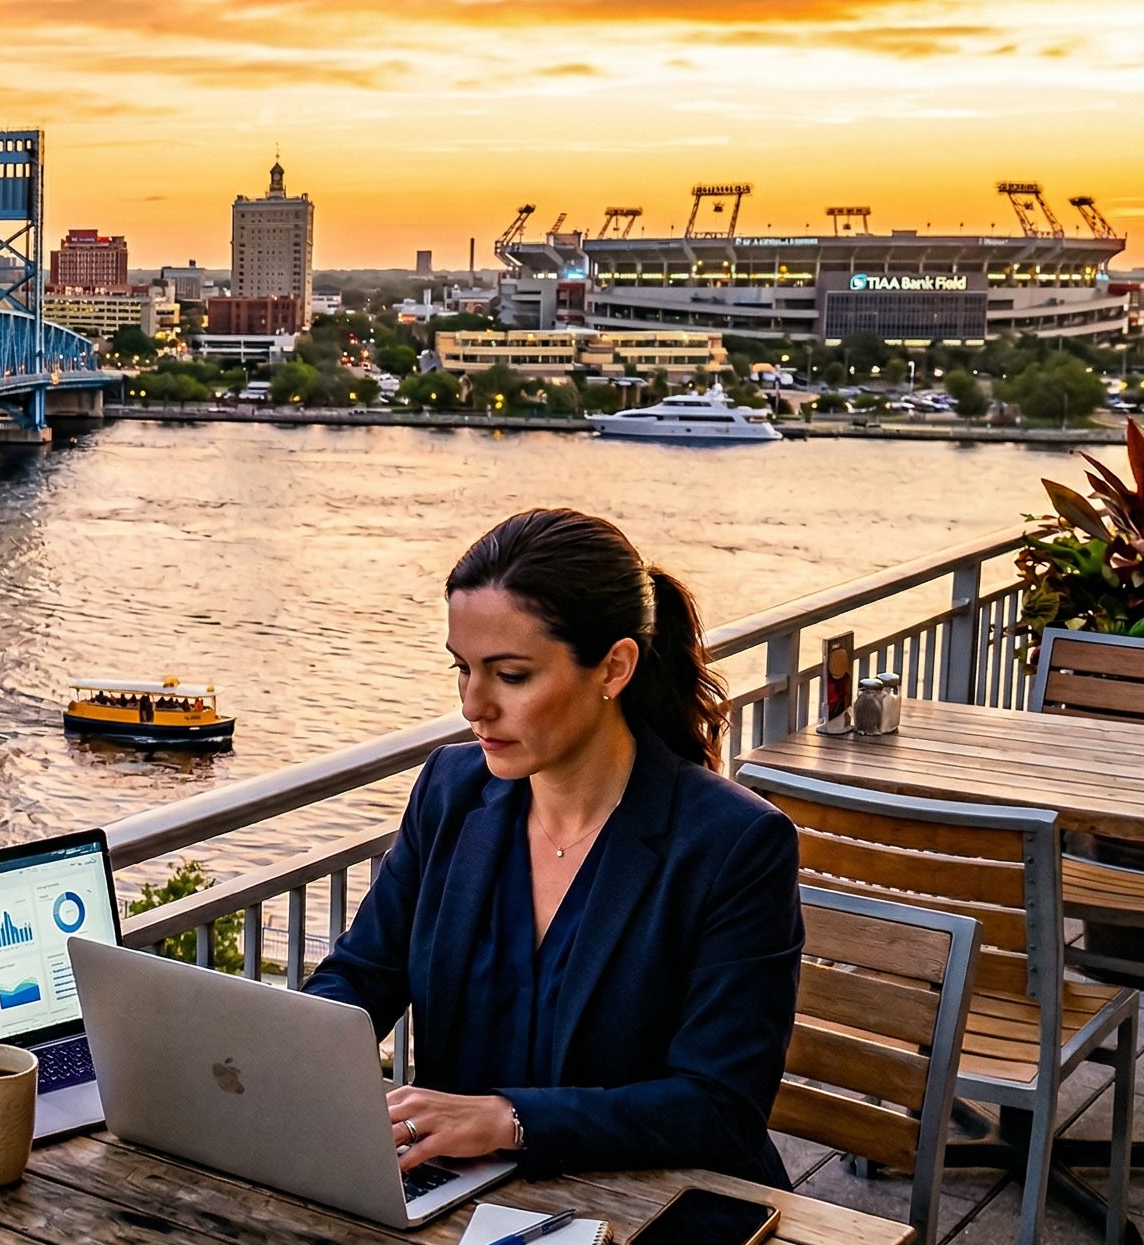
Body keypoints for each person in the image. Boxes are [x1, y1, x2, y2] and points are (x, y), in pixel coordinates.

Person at [303, 508, 802, 1186]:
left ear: (614, 667)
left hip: (662, 1206)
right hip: (459, 1193)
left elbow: (720, 1107)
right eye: (462, 669)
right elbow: (362, 976)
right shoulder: (449, 790)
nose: (473, 705)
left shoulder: (736, 843)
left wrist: (512, 1121)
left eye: (510, 676)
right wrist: (275, 1053)